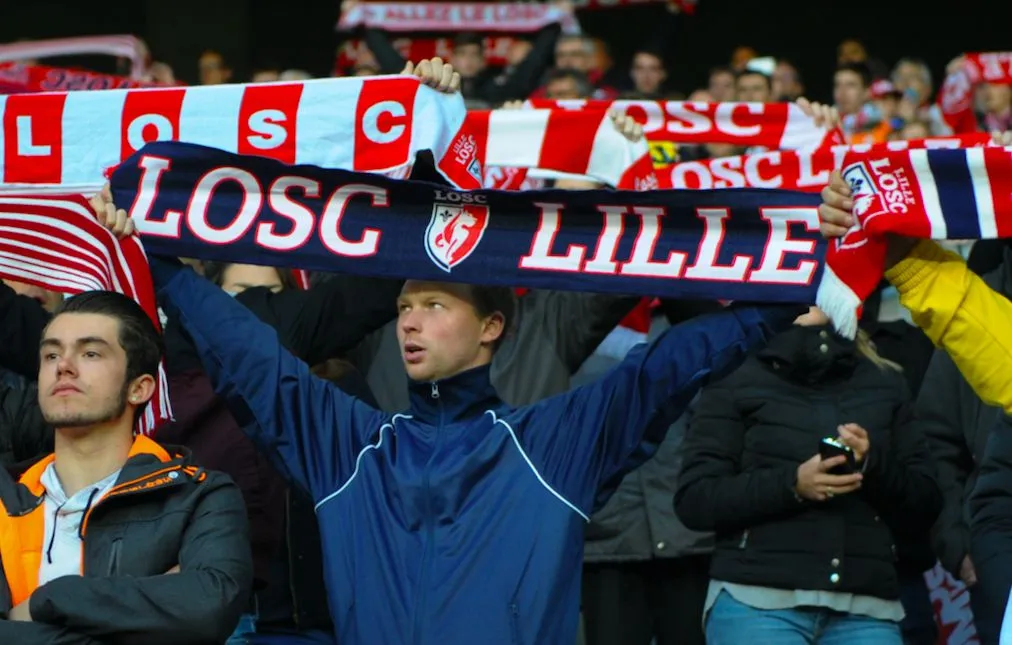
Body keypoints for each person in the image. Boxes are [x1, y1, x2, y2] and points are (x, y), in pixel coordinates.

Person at [92, 115, 804, 645]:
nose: (409, 321)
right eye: (403, 306)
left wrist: (797, 276)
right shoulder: (352, 447)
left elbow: (668, 367)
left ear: (492, 325)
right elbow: (252, 355)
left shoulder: (551, 444)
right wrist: (158, 263)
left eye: (433, 305)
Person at [675, 306, 941, 644]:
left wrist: (871, 464)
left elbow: (927, 503)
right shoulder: (733, 374)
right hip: (757, 604)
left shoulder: (884, 379)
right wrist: (793, 485)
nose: (808, 292)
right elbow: (694, 499)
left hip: (867, 610)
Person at [0, 291, 253, 644]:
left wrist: (50, 599)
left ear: (139, 388)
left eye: (90, 353)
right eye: (51, 354)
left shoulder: (200, 496)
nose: (64, 366)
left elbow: (210, 610)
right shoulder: (4, 497)